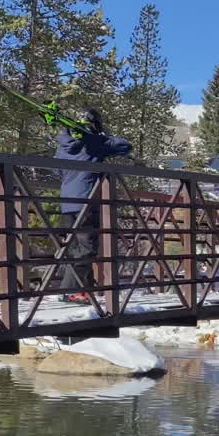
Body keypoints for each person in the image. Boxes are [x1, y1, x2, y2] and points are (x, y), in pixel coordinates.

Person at [55, 112, 132, 303]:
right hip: (86, 201)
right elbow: (124, 146)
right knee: (87, 248)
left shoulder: (63, 146)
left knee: (76, 248)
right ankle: (71, 291)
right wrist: (100, 135)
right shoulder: (93, 143)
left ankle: (82, 290)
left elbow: (56, 170)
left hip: (67, 202)